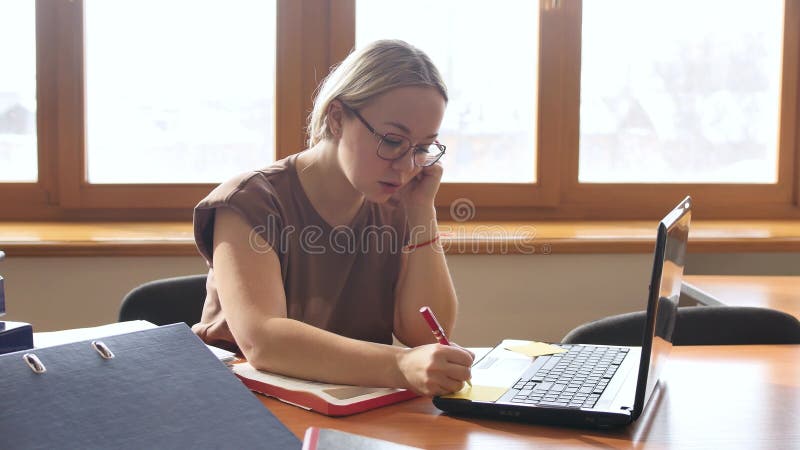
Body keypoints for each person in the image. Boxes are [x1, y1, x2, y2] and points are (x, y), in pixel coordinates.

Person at [192, 40, 473, 396]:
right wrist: (399, 365)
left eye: (421, 148)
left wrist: (422, 212)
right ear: (337, 118)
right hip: (243, 404)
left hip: (352, 404)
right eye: (392, 140)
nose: (406, 167)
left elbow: (424, 332)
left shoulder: (397, 200)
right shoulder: (249, 201)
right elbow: (263, 341)